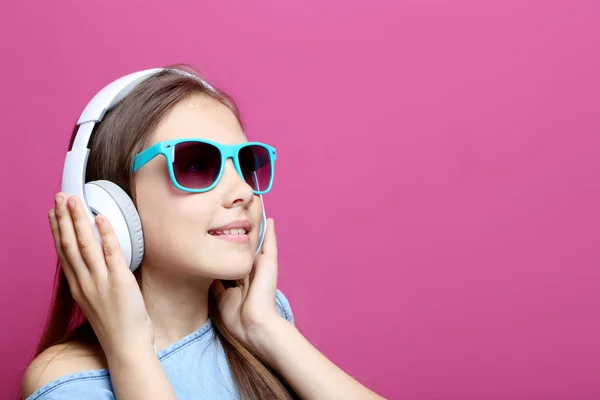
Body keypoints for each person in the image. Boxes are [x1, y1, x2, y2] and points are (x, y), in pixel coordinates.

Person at [21, 65, 385, 400]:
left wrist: (268, 330)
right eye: (197, 164)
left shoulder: (263, 323)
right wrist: (129, 352)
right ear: (109, 205)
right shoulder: (68, 382)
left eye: (244, 163)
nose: (243, 190)